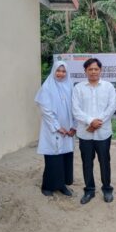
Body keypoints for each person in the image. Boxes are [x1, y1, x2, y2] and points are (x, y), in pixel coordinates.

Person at [72, 58, 116, 204]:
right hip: (85, 133)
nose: (93, 72)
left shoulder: (108, 87)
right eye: (90, 69)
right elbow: (75, 110)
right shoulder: (78, 88)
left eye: (96, 69)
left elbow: (111, 107)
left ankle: (107, 189)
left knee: (105, 162)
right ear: (85, 71)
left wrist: (97, 122)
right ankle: (89, 190)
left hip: (103, 133)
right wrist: (90, 121)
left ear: (100, 70)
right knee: (87, 163)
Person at [35, 61, 76, 197]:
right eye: (58, 71)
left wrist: (73, 127)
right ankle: (47, 186)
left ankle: (62, 185)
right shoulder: (47, 87)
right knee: (53, 158)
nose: (61, 74)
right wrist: (58, 127)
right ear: (53, 71)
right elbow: (46, 110)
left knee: (64, 158)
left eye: (63, 71)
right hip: (53, 130)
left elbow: (74, 107)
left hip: (67, 131)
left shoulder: (69, 85)